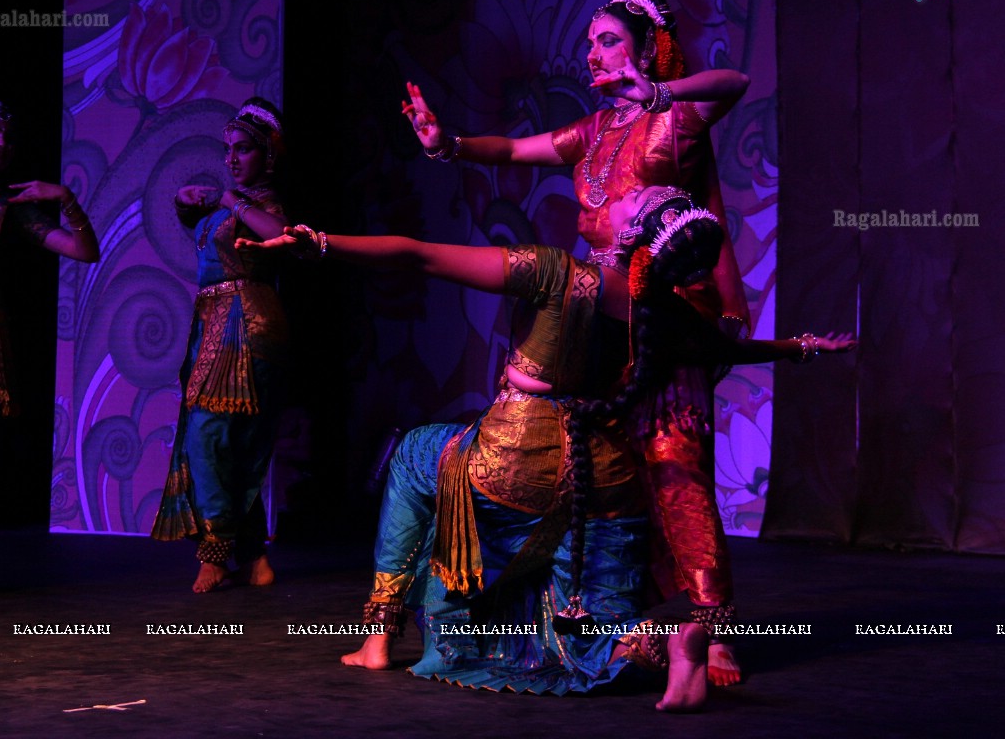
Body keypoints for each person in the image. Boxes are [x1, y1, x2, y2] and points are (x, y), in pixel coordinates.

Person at [239, 185, 854, 711]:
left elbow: (418, 256)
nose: (617, 192)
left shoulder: (557, 272)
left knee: (412, 453)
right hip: (605, 482)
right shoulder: (661, 310)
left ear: (630, 230)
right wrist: (803, 347)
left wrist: (318, 242)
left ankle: (376, 639)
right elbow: (727, 349)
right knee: (590, 628)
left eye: (631, 197)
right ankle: (664, 643)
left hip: (516, 461)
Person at [403, 0, 759, 684]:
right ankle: (610, 620)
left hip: (664, 322)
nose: (592, 54)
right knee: (597, 474)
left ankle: (713, 629)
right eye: (589, 43)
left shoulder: (677, 119)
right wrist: (448, 145)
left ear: (645, 50)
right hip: (596, 321)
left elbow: (737, 80)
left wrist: (662, 92)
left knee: (673, 468)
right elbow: (507, 152)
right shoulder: (590, 134)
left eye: (607, 42)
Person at [0, 95, 99, 602]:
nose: (0, 142)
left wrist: (64, 199)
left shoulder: (8, 207)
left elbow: (84, 250)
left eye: (7, 137)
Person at [151, 97, 290, 594]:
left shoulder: (268, 204)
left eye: (244, 150)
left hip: (246, 326)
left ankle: (214, 553)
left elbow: (281, 235)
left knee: (214, 438)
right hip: (211, 325)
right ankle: (252, 553)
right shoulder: (234, 203)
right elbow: (210, 234)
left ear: (267, 156)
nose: (232, 159)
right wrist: (187, 204)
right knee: (226, 444)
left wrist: (232, 202)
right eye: (228, 149)